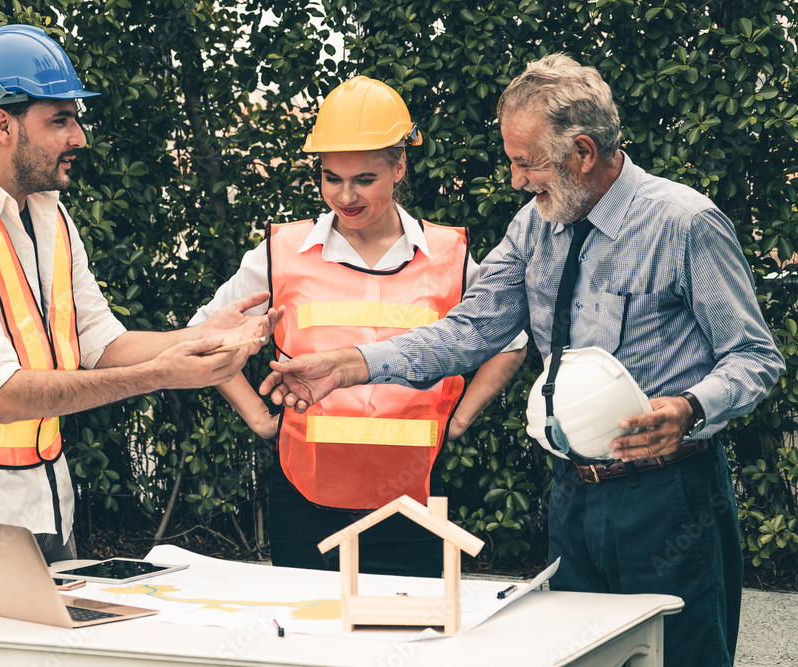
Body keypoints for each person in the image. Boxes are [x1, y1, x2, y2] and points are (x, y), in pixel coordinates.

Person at [259, 55, 784, 666]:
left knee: (681, 658)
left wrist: (689, 408)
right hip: (573, 493)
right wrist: (348, 364)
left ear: (583, 152)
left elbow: (753, 355)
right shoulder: (534, 227)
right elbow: (470, 330)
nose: (514, 179)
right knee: (582, 657)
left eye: (525, 161)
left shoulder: (685, 223)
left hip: (671, 496)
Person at [0, 25, 279, 602]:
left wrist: (202, 336)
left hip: (41, 501)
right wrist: (161, 376)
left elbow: (99, 344)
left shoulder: (50, 217)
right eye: (60, 119)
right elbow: (4, 395)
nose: (79, 137)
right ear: (3, 124)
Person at [190, 76, 527, 577]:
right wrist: (260, 418)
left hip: (415, 496)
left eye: (364, 179)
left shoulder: (447, 257)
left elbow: (510, 339)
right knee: (307, 641)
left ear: (400, 166)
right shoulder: (283, 252)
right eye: (331, 178)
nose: (344, 196)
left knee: (408, 644)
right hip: (305, 496)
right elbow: (204, 335)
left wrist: (459, 419)